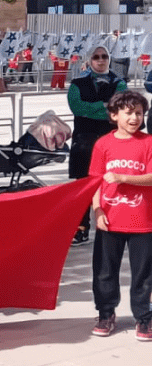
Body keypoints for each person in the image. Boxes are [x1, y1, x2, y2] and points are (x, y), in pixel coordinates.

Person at [88, 91, 151, 340]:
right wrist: (97, 210)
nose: (135, 117)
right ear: (114, 115)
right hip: (110, 220)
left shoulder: (148, 143)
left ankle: (144, 318)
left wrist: (124, 178)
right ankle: (105, 313)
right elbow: (93, 182)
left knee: (143, 274)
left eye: (139, 113)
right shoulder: (103, 144)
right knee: (104, 271)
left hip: (143, 222)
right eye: (129, 112)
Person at [67, 44, 127, 246]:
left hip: (111, 140)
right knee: (83, 185)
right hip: (84, 140)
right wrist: (103, 106)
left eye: (104, 56)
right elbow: (76, 107)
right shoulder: (77, 82)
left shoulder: (119, 83)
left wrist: (93, 109)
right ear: (90, 60)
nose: (101, 60)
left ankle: (114, 225)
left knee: (112, 184)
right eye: (96, 57)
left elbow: (119, 109)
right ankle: (81, 228)